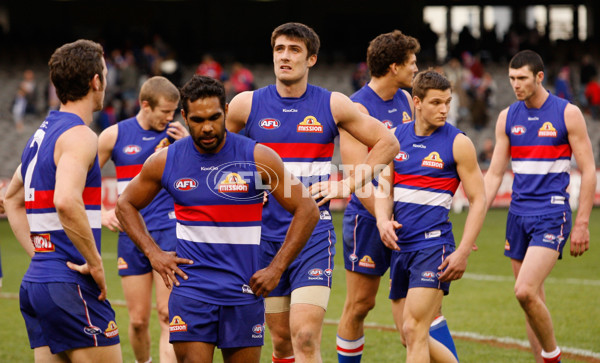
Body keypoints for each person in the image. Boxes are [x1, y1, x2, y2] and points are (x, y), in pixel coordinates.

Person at [226, 22, 399, 362]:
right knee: (281, 343)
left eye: (294, 50)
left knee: (305, 337)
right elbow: (218, 155)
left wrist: (346, 184)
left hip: (313, 235)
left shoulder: (333, 104)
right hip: (262, 237)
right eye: (279, 49)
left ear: (312, 59)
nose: (285, 57)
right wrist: (242, 184)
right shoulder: (245, 105)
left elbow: (388, 142)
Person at [115, 74, 319, 363]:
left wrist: (277, 268)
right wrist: (153, 253)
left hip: (244, 292)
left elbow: (307, 209)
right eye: (198, 120)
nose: (208, 127)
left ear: (225, 110)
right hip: (192, 292)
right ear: (184, 117)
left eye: (215, 117)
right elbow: (125, 204)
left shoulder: (258, 158)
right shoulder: (166, 160)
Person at [335, 30, 458, 363]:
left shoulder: (407, 101)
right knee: (360, 305)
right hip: (369, 218)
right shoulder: (356, 107)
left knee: (427, 311)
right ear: (393, 67)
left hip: (410, 219)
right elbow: (357, 178)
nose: (415, 70)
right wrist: (383, 216)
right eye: (412, 63)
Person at [3, 39, 122, 362]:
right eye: (106, 75)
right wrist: (96, 264)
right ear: (95, 81)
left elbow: (10, 198)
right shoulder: (80, 135)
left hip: (38, 282)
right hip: (71, 284)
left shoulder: (41, 135)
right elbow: (67, 201)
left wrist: (41, 256)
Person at [483, 50, 596, 363]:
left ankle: (552, 357)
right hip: (517, 216)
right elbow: (493, 175)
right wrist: (474, 224)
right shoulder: (508, 117)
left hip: (551, 214)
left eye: (522, 78)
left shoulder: (567, 113)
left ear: (539, 77)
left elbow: (588, 170)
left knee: (525, 291)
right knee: (530, 300)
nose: (516, 85)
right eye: (512, 79)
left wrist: (583, 222)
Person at [374, 70, 486, 363]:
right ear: (417, 102)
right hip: (400, 248)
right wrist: (383, 221)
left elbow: (479, 199)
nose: (445, 109)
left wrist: (462, 251)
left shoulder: (458, 143)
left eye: (448, 102)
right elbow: (383, 191)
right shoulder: (395, 138)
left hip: (434, 246)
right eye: (437, 102)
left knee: (414, 329)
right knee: (407, 334)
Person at [98, 75, 188, 363]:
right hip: (130, 236)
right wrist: (101, 212)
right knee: (137, 319)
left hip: (168, 232)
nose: (170, 118)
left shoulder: (179, 136)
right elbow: (81, 180)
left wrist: (190, 145)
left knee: (166, 314)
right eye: (165, 112)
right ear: (145, 105)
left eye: (174, 112)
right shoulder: (114, 135)